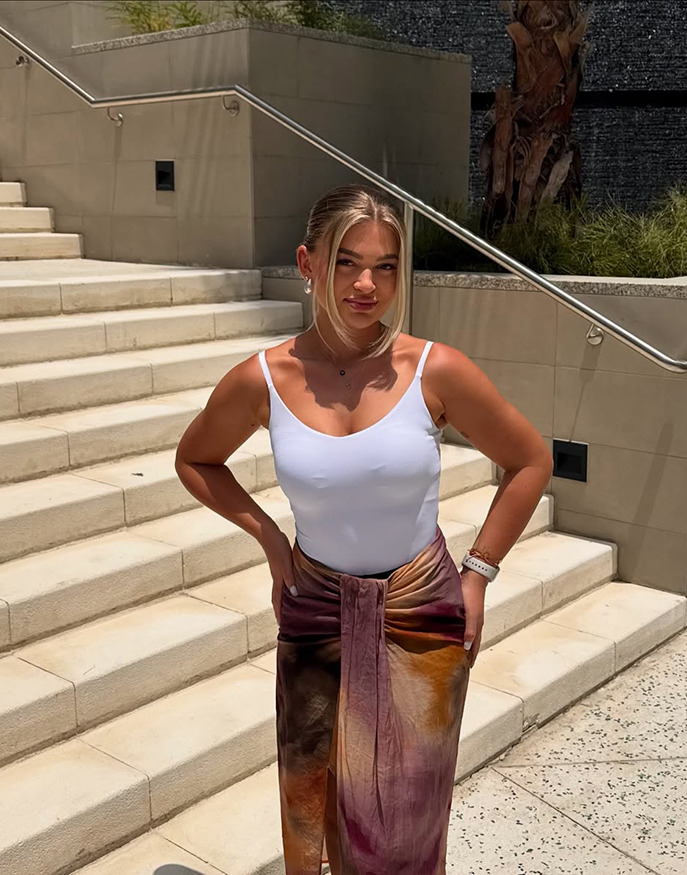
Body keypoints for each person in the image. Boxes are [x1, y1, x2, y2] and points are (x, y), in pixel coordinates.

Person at [175, 183, 553, 874]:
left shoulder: (433, 368)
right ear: (307, 262)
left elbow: (530, 460)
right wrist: (267, 537)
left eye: (385, 266)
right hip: (315, 613)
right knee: (310, 801)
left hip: (421, 614)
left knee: (406, 819)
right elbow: (196, 458)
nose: (366, 284)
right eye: (347, 261)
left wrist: (480, 572)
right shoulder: (262, 378)